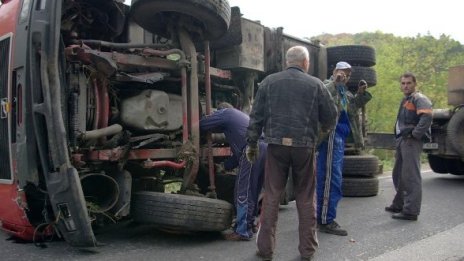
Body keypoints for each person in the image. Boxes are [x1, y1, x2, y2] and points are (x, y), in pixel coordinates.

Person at [246, 46, 337, 261]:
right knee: (305, 197)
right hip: (304, 146)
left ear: (287, 62)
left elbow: (256, 116)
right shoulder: (316, 84)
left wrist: (252, 144)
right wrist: (320, 135)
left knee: (271, 195)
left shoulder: (269, 82)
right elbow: (331, 116)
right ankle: (307, 251)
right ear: (306, 63)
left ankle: (266, 250)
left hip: (276, 146)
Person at [316, 61, 372, 236]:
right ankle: (325, 220)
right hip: (330, 137)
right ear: (334, 72)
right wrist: (335, 83)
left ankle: (325, 216)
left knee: (334, 179)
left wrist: (361, 94)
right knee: (330, 179)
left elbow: (353, 108)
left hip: (339, 140)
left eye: (347, 75)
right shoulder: (325, 85)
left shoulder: (344, 92)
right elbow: (320, 97)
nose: (344, 76)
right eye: (342, 72)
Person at [199, 102, 267, 241]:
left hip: (251, 149)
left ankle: (242, 231)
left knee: (243, 191)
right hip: (265, 149)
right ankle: (250, 224)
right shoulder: (242, 117)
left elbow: (202, 124)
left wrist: (197, 122)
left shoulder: (226, 113)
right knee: (253, 190)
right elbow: (237, 157)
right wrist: (224, 166)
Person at [385, 72, 432, 221]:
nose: (405, 86)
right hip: (403, 140)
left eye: (409, 83)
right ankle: (399, 203)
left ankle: (411, 211)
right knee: (398, 173)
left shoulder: (420, 99)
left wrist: (415, 134)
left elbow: (427, 117)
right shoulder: (406, 100)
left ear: (415, 84)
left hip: (411, 141)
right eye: (403, 83)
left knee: (411, 176)